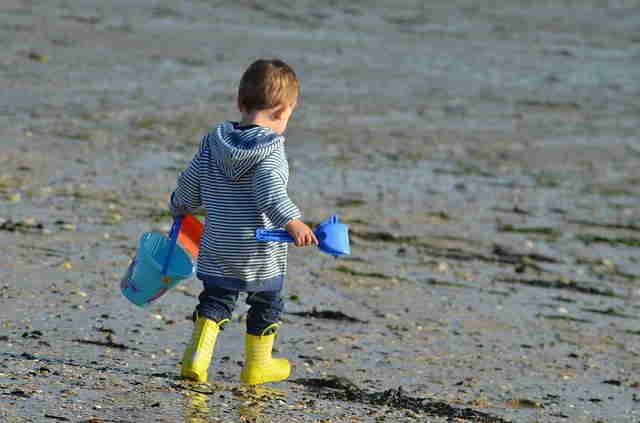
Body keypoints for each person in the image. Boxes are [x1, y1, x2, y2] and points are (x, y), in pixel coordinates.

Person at [169, 59, 318, 385]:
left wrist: (180, 206)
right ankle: (257, 365)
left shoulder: (213, 143)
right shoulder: (271, 151)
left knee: (216, 299)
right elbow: (271, 193)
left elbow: (191, 185)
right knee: (267, 301)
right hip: (258, 248)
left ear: (240, 103)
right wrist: (293, 221)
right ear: (283, 113)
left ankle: (197, 357)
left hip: (218, 243)